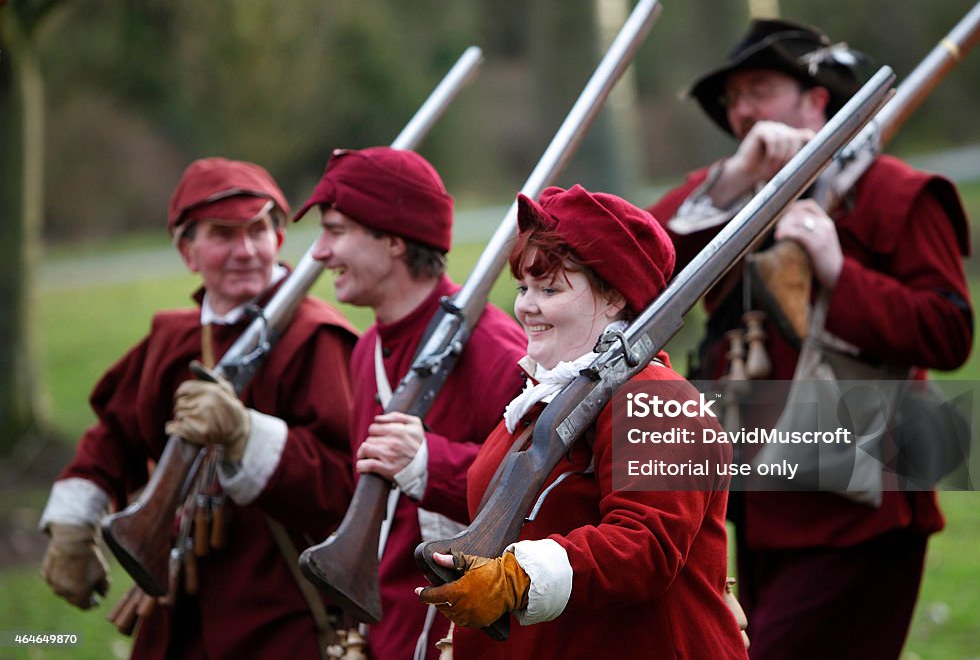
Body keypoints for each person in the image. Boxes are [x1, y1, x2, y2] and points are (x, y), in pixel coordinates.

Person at [648, 20, 973, 659]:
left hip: (863, 502)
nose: (742, 111)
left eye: (760, 90)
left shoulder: (898, 194)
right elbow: (641, 268)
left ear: (818, 100)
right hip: (761, 498)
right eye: (733, 99)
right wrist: (732, 179)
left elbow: (948, 329)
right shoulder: (734, 197)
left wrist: (838, 273)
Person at [39, 157, 359, 659]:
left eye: (258, 231)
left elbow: (348, 488)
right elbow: (114, 436)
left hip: (283, 609)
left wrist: (246, 436)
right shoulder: (174, 338)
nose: (246, 251)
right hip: (178, 611)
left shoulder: (317, 338)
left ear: (279, 238)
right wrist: (73, 526)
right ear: (187, 250)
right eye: (223, 235)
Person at [416, 185, 749, 659]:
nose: (526, 306)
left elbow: (647, 543)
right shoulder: (542, 397)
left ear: (614, 296)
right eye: (524, 287)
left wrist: (518, 579)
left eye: (549, 288)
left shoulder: (657, 396)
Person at [296, 146, 527, 660]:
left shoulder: (495, 352)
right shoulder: (366, 351)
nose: (319, 253)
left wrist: (430, 464)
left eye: (336, 232)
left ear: (394, 241)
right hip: (387, 633)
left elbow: (540, 496)